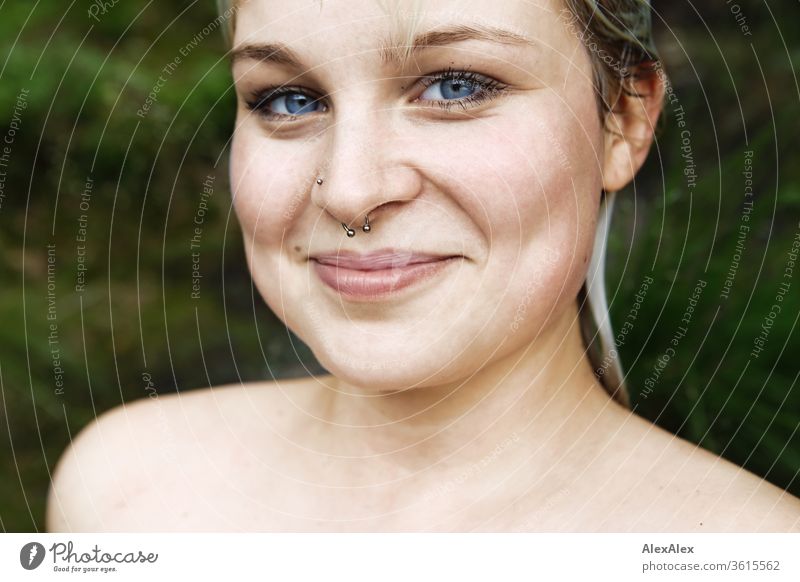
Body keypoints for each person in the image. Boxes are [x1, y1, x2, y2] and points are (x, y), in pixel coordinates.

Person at [46, 0, 800, 532]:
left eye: (457, 85)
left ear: (624, 123)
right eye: (289, 99)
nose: (349, 189)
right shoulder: (122, 488)